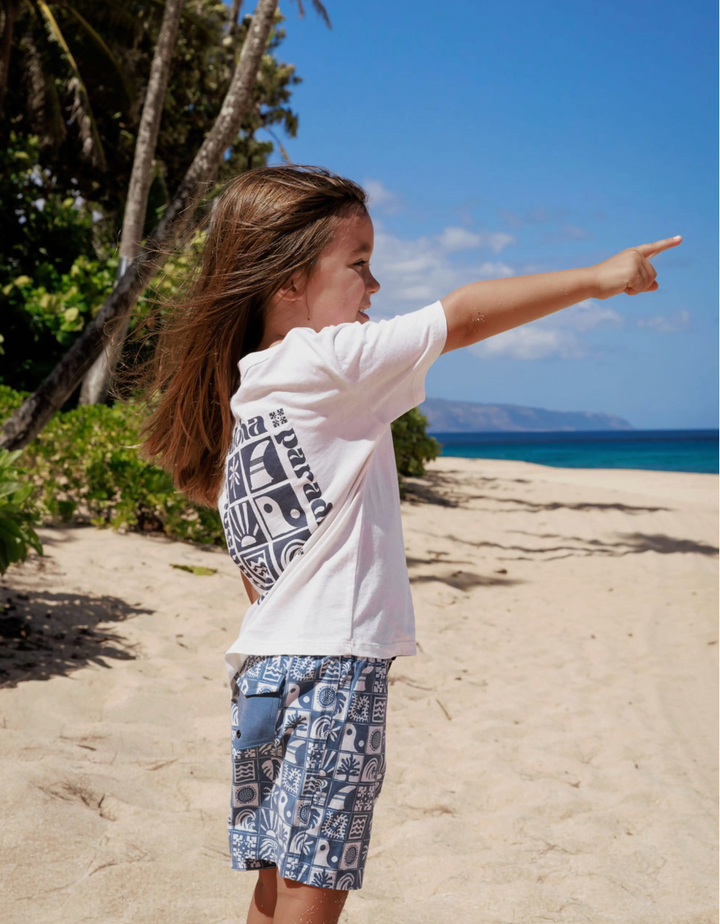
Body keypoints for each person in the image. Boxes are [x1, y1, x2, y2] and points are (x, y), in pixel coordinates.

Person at [140, 165, 681, 924]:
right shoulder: (329, 361)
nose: (376, 285)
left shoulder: (249, 400)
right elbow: (458, 319)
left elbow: (259, 570)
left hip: (260, 673)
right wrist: (597, 278)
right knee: (313, 887)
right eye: (359, 264)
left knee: (275, 880)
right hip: (332, 669)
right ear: (289, 280)